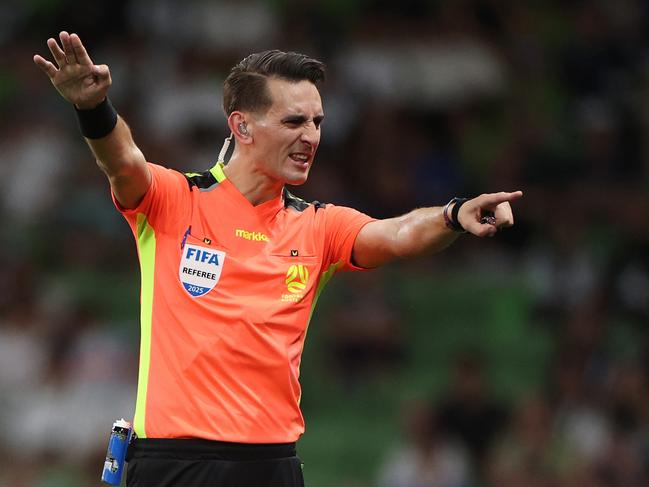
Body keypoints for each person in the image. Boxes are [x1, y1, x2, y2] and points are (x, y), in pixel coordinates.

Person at [33, 31, 523, 487]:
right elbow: (122, 161)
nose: (311, 135)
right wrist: (94, 108)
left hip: (269, 464)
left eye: (317, 122)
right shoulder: (173, 199)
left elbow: (397, 234)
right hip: (171, 460)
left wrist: (455, 214)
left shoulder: (319, 225)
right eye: (293, 121)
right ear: (242, 126)